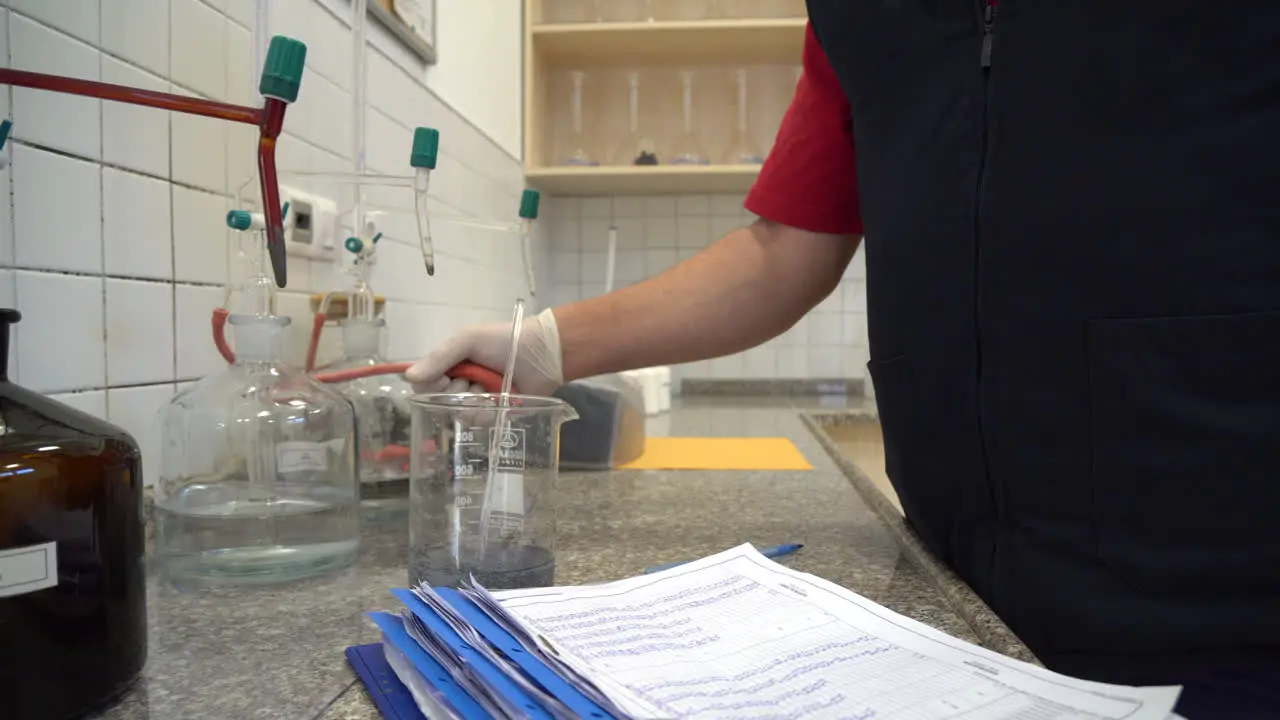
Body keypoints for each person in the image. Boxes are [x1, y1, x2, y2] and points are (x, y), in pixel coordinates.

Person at [409, 3, 1280, 715]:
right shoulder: (858, 14)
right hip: (955, 593)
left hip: (1226, 583)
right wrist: (546, 347)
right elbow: (784, 251)